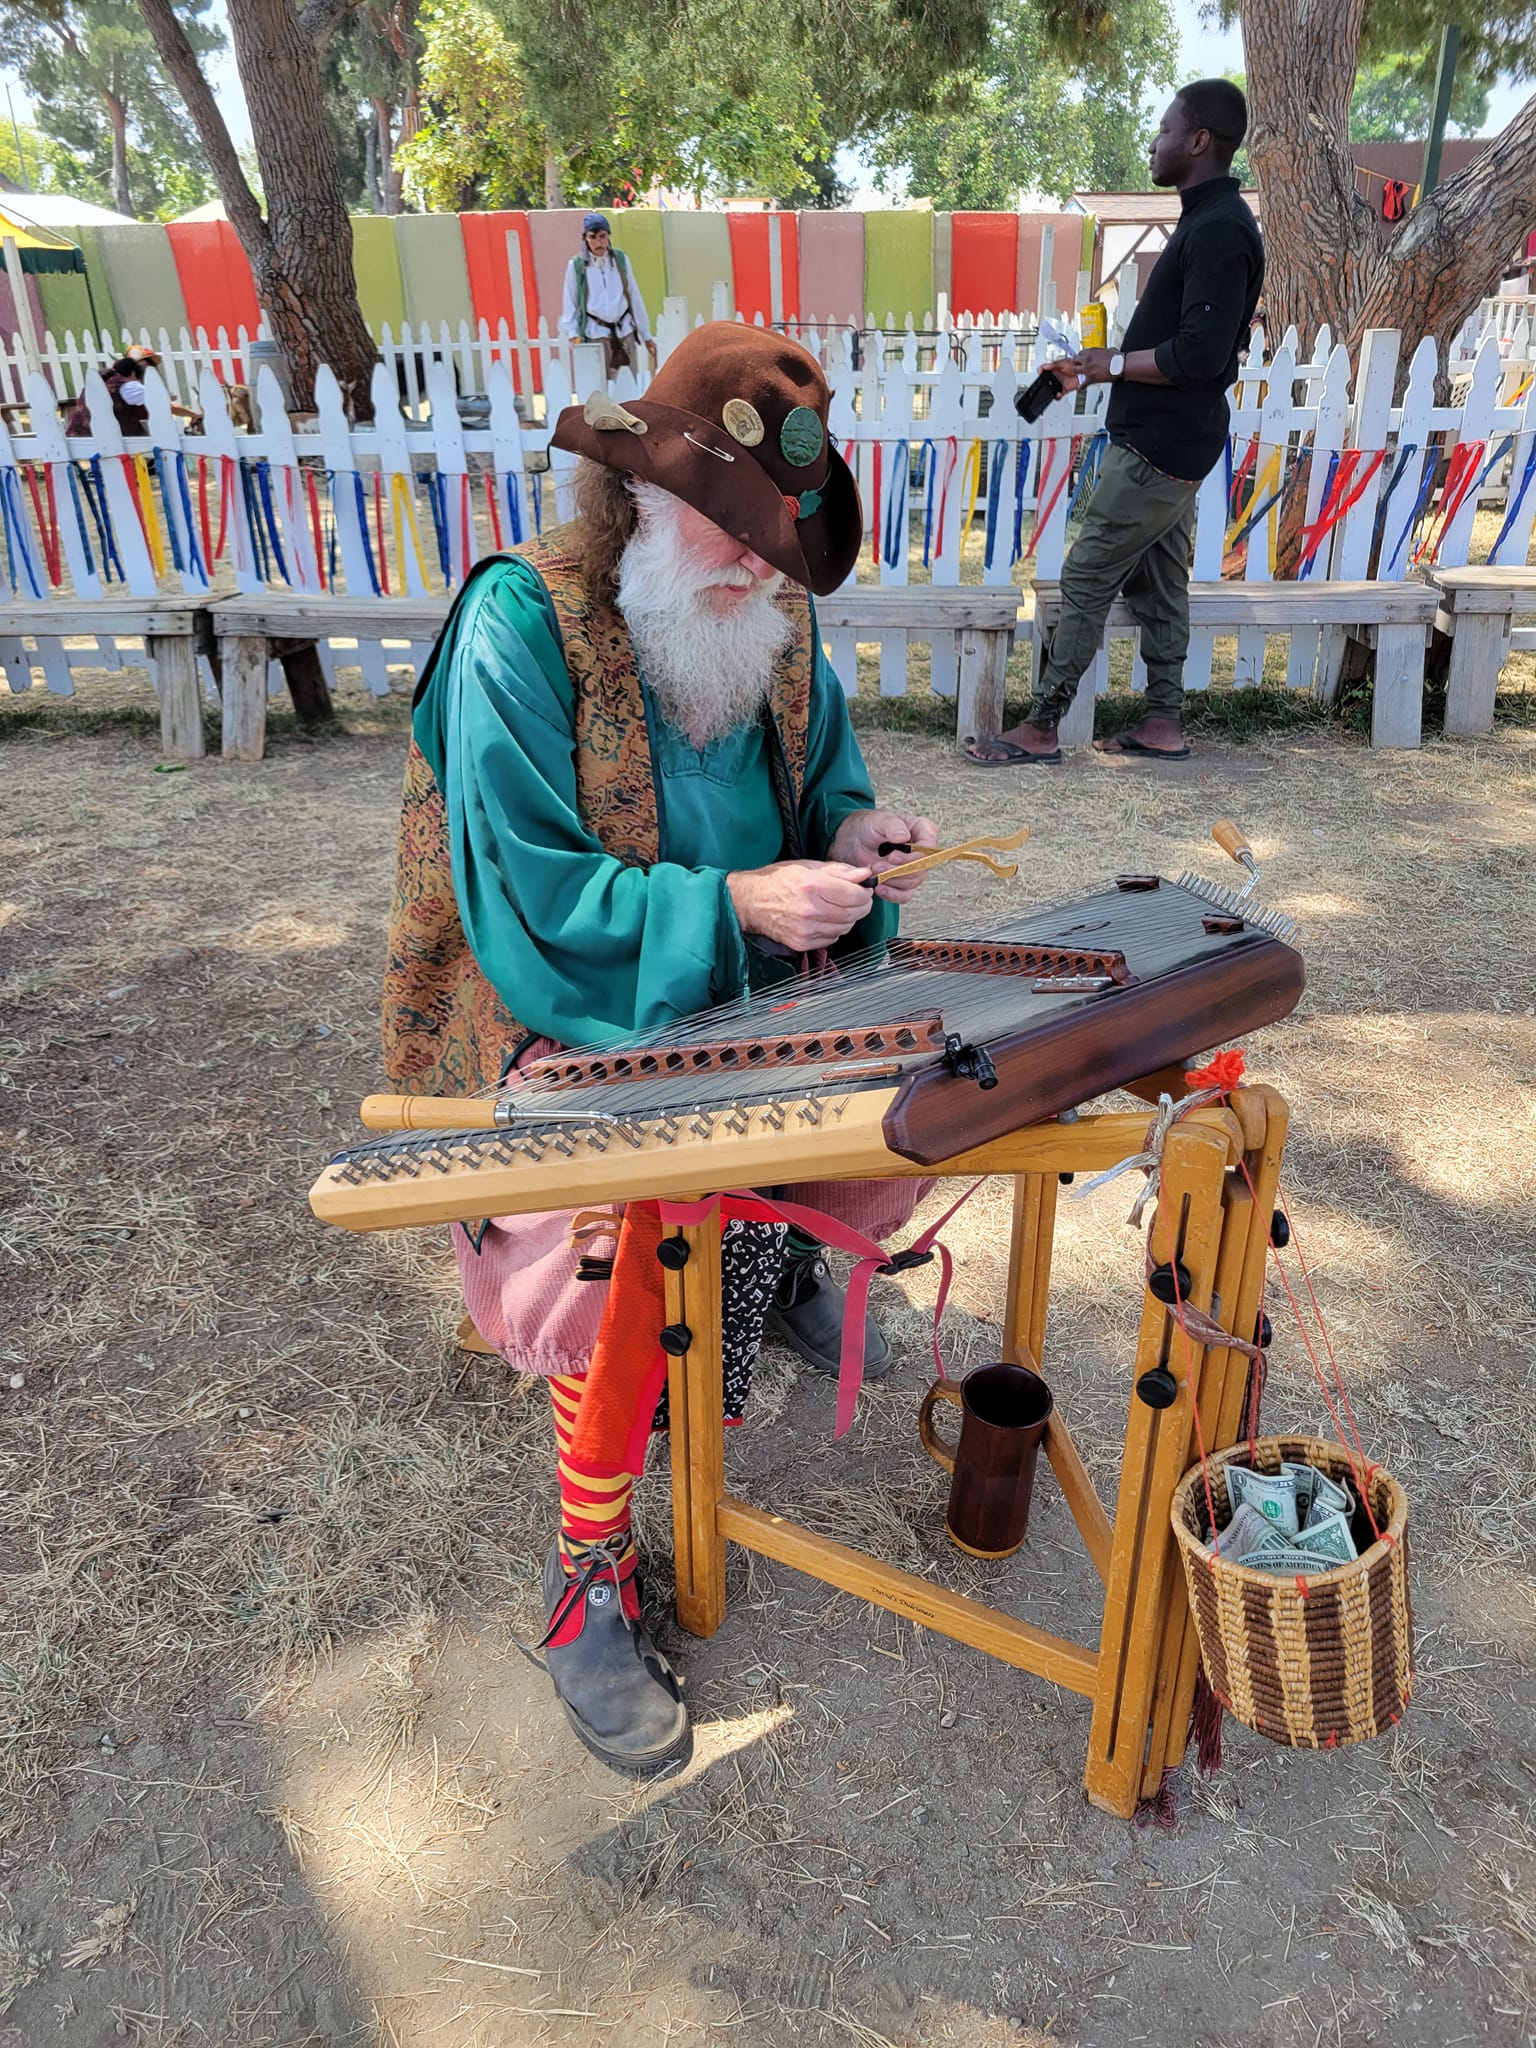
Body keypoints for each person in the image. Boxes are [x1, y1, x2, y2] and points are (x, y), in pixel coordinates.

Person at [382, 322, 939, 1772]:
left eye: (783, 545)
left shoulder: (774, 620)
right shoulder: (521, 623)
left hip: (749, 997)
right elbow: (536, 910)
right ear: (637, 495)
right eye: (734, 532)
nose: (759, 569)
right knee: (634, 1221)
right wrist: (739, 903)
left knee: (913, 1076)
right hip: (555, 1019)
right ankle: (584, 1578)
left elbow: (828, 781)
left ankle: (784, 1254)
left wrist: (852, 840)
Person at [966, 78, 1263, 767]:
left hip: (1162, 445)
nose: (1153, 142)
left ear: (1199, 140)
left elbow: (1200, 354)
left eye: (1164, 131)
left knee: (1089, 571)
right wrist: (1101, 366)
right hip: (1171, 440)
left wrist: (1111, 367)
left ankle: (1042, 726)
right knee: (1160, 581)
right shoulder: (1207, 219)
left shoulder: (1220, 229)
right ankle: (1164, 722)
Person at [559, 212, 657, 376]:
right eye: (593, 237)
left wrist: (645, 334)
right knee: (599, 391)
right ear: (586, 239)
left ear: (608, 237)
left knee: (628, 387)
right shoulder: (577, 266)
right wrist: (573, 334)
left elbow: (634, 296)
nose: (599, 242)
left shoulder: (621, 260)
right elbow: (570, 302)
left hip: (624, 332)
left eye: (603, 236)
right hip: (595, 334)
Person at [63, 344, 203, 438]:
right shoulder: (128, 385)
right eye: (147, 365)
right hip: (103, 437)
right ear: (137, 368)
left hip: (83, 433)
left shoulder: (106, 378)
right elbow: (165, 405)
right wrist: (193, 415)